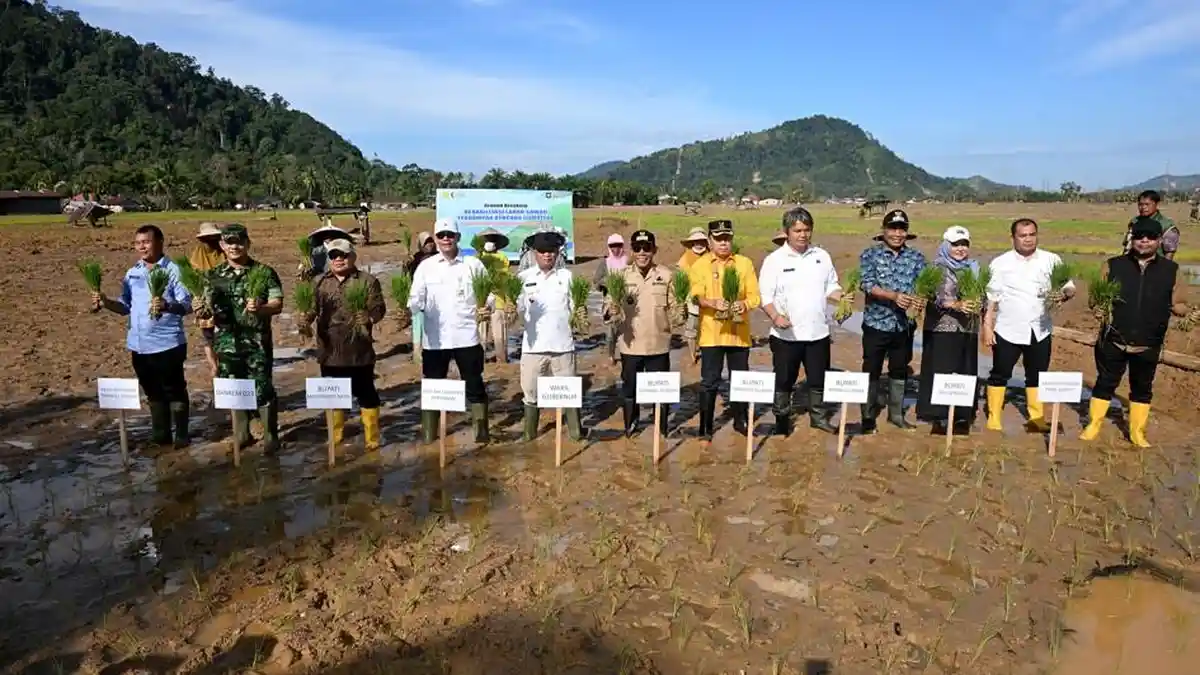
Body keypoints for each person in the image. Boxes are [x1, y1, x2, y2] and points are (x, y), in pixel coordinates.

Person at [1081, 216, 1197, 447]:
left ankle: (1137, 432)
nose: (1144, 241)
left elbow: (1179, 304)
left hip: (1149, 341)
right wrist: (1098, 307)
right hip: (1113, 339)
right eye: (1139, 236)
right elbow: (1096, 299)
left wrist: (1189, 313)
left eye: (1150, 237)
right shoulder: (1113, 265)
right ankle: (1093, 425)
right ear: (1132, 239)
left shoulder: (1171, 270)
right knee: (1105, 383)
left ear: (1159, 240)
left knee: (1142, 388)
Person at [92, 224, 194, 448]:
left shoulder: (174, 270)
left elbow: (188, 305)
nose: (141, 247)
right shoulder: (133, 272)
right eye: (138, 243)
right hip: (139, 345)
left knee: (174, 390)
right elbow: (125, 306)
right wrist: (106, 302)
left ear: (160, 242)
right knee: (152, 392)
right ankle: (161, 435)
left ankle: (182, 435)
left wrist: (166, 305)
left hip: (168, 343)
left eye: (146, 242)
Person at [982, 218, 1076, 433]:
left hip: (1040, 329)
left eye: (1032, 234)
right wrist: (987, 327)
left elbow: (1069, 286)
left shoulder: (1052, 260)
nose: (1028, 239)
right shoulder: (1000, 263)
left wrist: (1064, 294)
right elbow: (992, 298)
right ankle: (994, 416)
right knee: (1000, 373)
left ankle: (1037, 417)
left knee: (1037, 375)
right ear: (1013, 237)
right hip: (1008, 329)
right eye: (1022, 235)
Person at [759, 207, 844, 436]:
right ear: (787, 232)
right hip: (786, 335)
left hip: (818, 333)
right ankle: (782, 421)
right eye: (797, 230)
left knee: (818, 379)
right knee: (784, 380)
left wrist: (842, 297)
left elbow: (831, 286)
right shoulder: (774, 260)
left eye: (807, 230)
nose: (803, 235)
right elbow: (765, 297)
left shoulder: (821, 256)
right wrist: (775, 316)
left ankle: (818, 418)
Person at [409, 218, 491, 444]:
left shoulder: (473, 265)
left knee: (474, 384)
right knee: (433, 386)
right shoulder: (426, 267)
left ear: (458, 237)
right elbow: (414, 299)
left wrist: (486, 306)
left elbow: (489, 294)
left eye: (450, 235)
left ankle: (481, 431)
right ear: (435, 239)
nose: (446, 239)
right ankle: (429, 434)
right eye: (441, 235)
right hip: (435, 340)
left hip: (467, 337)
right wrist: (414, 305)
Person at [208, 223, 285, 453]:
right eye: (229, 242)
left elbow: (277, 304)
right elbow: (205, 308)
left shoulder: (264, 272)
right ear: (222, 245)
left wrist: (261, 308)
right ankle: (241, 434)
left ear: (248, 244)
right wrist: (201, 309)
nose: (234, 247)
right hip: (226, 343)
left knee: (262, 387)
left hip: (257, 343)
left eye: (239, 242)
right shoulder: (213, 276)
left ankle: (270, 436)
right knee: (234, 388)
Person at [689, 219, 761, 440]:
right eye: (719, 239)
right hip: (712, 334)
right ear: (710, 241)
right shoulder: (700, 265)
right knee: (710, 381)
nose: (723, 243)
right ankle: (706, 427)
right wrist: (711, 303)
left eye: (727, 238)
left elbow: (755, 296)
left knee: (740, 379)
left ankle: (741, 420)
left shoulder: (744, 264)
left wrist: (744, 305)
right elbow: (695, 295)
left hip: (739, 335)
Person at [313, 238, 387, 452]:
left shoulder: (367, 281)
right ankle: (336, 437)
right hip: (330, 351)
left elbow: (379, 309)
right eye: (333, 255)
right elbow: (310, 308)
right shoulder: (319, 282)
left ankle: (372, 438)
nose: (338, 259)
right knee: (334, 396)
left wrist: (368, 318)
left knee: (366, 394)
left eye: (343, 255)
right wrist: (304, 319)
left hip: (359, 351)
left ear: (353, 256)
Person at [858, 209, 927, 434]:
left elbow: (924, 286)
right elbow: (867, 284)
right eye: (893, 228)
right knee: (871, 369)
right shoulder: (870, 255)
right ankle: (867, 416)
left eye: (902, 229)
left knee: (899, 369)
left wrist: (919, 300)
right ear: (884, 230)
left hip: (903, 326)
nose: (897, 234)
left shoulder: (916, 258)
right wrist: (893, 296)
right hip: (876, 323)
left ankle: (896, 415)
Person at [516, 230, 587, 441]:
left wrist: (581, 313)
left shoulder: (567, 277)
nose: (547, 255)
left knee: (569, 392)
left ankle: (575, 432)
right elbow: (516, 311)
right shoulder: (524, 279)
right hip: (533, 347)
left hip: (562, 346)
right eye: (543, 251)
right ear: (534, 253)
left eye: (552, 251)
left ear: (558, 253)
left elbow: (577, 308)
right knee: (530, 392)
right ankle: (529, 434)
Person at [608, 229, 678, 437]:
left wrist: (681, 313)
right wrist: (611, 309)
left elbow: (675, 308)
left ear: (654, 250)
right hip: (631, 345)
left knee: (661, 390)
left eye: (646, 248)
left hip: (658, 344)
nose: (642, 253)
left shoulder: (666, 276)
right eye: (637, 248)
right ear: (631, 250)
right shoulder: (621, 277)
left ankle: (661, 429)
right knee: (630, 388)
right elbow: (608, 306)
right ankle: (631, 426)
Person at [916, 226, 983, 435]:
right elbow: (933, 297)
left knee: (965, 370)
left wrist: (978, 303)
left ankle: (962, 416)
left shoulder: (974, 268)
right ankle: (939, 417)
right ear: (946, 245)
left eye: (964, 244)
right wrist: (955, 304)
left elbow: (983, 294)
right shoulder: (936, 268)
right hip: (942, 328)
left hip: (968, 328)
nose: (961, 249)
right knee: (941, 370)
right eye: (955, 244)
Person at [187, 221, 224, 375]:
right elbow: (190, 281)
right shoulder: (196, 258)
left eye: (214, 238)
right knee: (208, 337)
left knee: (224, 335)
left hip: (223, 301)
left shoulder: (224, 254)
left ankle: (224, 363)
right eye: (207, 239)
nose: (211, 242)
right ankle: (214, 366)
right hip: (204, 302)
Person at [476, 228, 513, 363]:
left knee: (500, 334)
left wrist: (509, 300)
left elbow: (506, 278)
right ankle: (479, 359)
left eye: (492, 240)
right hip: (482, 300)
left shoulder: (502, 258)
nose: (489, 242)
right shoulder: (477, 258)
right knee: (481, 332)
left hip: (499, 300)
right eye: (487, 240)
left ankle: (501, 359)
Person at [594, 233, 629, 364]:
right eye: (613, 246)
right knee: (611, 332)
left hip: (626, 300)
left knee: (628, 329)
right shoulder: (605, 263)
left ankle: (628, 355)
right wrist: (608, 282)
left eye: (618, 246)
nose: (616, 249)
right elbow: (596, 280)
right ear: (609, 247)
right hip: (610, 301)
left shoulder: (628, 262)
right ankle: (611, 355)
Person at [676, 227, 710, 364]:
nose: (699, 244)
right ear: (691, 243)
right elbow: (680, 282)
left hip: (710, 299)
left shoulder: (712, 256)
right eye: (696, 242)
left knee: (708, 327)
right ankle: (693, 355)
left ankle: (706, 351)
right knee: (692, 328)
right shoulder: (684, 260)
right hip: (692, 300)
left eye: (701, 241)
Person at [405, 231, 436, 364]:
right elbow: (409, 276)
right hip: (420, 297)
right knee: (418, 324)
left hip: (435, 297)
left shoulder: (439, 257)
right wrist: (407, 265)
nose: (430, 244)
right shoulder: (416, 258)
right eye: (426, 242)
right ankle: (417, 353)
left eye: (431, 241)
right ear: (421, 245)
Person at [1122, 190, 1179, 260]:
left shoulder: (1166, 225)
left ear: (1156, 204)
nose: (1143, 207)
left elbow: (1169, 252)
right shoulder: (1134, 222)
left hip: (1155, 264)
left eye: (1147, 204)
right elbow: (1127, 246)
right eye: (1140, 204)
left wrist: (1164, 266)